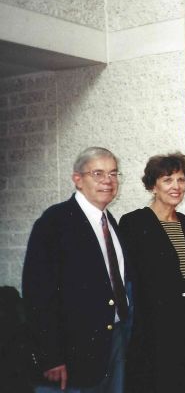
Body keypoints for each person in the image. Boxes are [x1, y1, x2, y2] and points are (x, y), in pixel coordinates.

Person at [22, 147, 131, 393]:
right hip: (72, 354)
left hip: (113, 343)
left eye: (113, 174)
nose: (108, 181)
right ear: (77, 179)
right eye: (98, 173)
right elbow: (37, 294)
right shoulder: (55, 222)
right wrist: (50, 356)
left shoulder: (109, 220)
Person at [119, 153, 185, 392]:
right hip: (149, 331)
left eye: (181, 180)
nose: (176, 186)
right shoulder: (133, 223)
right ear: (153, 185)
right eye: (167, 180)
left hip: (184, 329)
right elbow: (128, 279)